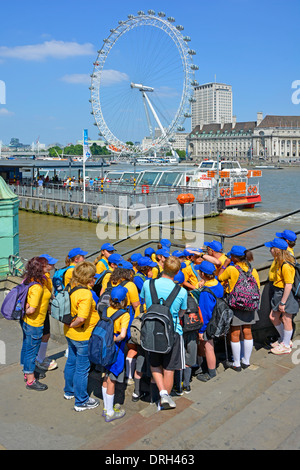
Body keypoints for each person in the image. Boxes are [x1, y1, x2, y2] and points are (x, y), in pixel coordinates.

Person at [140, 256, 187, 410]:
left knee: (154, 364)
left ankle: (160, 394)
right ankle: (165, 397)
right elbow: (181, 313)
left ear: (162, 267)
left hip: (151, 330)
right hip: (172, 333)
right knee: (169, 368)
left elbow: (143, 302)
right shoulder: (181, 291)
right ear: (177, 271)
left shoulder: (148, 284)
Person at [63, 261, 100, 411]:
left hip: (69, 334)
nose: (95, 279)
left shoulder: (71, 286)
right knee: (82, 369)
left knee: (71, 362)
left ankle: (69, 391)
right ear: (88, 278)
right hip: (82, 336)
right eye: (93, 277)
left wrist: (69, 326)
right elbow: (81, 318)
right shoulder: (85, 293)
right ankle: (81, 401)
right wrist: (74, 324)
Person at [218, 245, 260, 371]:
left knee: (235, 333)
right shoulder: (253, 270)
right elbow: (257, 287)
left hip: (236, 304)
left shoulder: (232, 269)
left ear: (234, 258)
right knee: (247, 332)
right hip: (250, 305)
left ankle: (236, 363)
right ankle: (245, 361)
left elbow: (219, 277)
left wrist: (225, 264)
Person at [20, 257, 52, 391]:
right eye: (46, 266)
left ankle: (28, 373)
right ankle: (31, 380)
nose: (49, 267)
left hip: (28, 322)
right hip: (35, 323)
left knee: (27, 347)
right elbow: (31, 309)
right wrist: (26, 308)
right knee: (31, 351)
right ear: (41, 268)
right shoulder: (37, 287)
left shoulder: (31, 280)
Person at [265, 237, 299, 355]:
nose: (270, 250)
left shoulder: (285, 265)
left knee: (286, 318)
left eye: (272, 248)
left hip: (284, 294)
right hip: (280, 292)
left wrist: (283, 302)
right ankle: (285, 340)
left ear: (277, 250)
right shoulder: (281, 262)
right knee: (274, 317)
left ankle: (285, 345)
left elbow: (288, 285)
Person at [102, 285, 130, 422]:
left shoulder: (107, 310)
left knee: (106, 376)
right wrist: (115, 338)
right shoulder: (124, 314)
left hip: (104, 348)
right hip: (116, 349)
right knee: (112, 379)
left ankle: (106, 408)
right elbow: (123, 335)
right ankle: (110, 412)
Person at [195, 261, 224, 382]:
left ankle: (211, 373)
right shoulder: (217, 284)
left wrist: (202, 330)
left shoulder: (206, 293)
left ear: (202, 274)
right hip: (218, 318)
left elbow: (205, 313)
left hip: (209, 322)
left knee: (208, 346)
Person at [35, 254, 58, 372]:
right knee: (44, 335)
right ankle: (40, 360)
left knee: (45, 335)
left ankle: (40, 357)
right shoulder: (42, 278)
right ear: (44, 265)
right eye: (51, 263)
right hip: (40, 312)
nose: (53, 265)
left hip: (44, 309)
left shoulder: (46, 275)